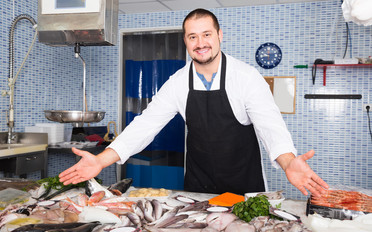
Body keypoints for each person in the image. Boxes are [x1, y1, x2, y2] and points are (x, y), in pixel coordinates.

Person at [59, 8, 328, 197]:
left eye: (207, 34)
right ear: (186, 41)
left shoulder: (246, 77)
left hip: (245, 183)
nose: (201, 43)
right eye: (192, 36)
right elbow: (145, 126)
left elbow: (272, 128)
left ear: (220, 35)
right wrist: (101, 161)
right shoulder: (177, 82)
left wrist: (288, 161)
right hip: (199, 185)